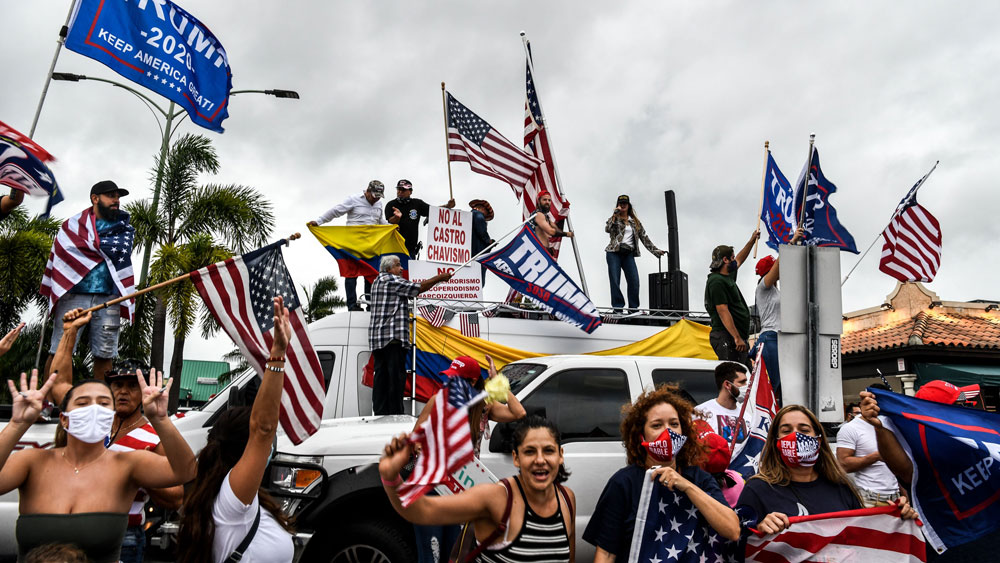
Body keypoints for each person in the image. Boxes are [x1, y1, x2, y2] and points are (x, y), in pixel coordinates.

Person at [0, 368, 195, 563]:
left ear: (111, 416)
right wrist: (17, 424)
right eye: (83, 403)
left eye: (103, 404)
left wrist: (160, 419)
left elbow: (185, 471)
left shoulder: (127, 465)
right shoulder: (31, 461)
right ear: (64, 418)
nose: (94, 409)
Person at [49, 308, 184, 563]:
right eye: (118, 384)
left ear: (143, 392)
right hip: (74, 530)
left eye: (133, 385)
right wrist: (70, 333)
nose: (123, 391)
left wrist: (139, 473)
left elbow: (176, 495)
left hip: (125, 536)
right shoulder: (92, 419)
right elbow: (58, 385)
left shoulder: (153, 437)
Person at [177, 296, 295, 563]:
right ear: (245, 451)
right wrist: (277, 354)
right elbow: (262, 429)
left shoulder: (233, 497)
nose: (269, 448)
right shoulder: (232, 501)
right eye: (266, 447)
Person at [380, 416, 577, 563]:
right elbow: (422, 511)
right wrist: (391, 477)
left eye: (548, 451)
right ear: (516, 458)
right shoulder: (496, 498)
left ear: (560, 455)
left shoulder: (567, 500)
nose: (540, 460)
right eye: (530, 451)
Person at [585, 385, 740, 561]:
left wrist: (687, 486)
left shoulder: (699, 479)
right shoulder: (624, 482)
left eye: (674, 424)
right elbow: (606, 553)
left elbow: (732, 530)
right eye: (657, 425)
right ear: (640, 435)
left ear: (684, 431)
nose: (668, 431)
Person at [410, 354, 526, 563]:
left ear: (473, 382)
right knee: (431, 556)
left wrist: (498, 382)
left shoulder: (483, 407)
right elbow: (415, 438)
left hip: (461, 491)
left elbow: (518, 413)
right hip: (432, 489)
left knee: (455, 556)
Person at [735, 404, 918, 535]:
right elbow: (737, 544)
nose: (795, 435)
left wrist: (897, 519)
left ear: (819, 440)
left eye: (804, 430)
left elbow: (862, 537)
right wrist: (759, 528)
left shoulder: (841, 488)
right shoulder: (757, 489)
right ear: (776, 442)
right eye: (786, 430)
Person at [43, 180, 134, 379]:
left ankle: (100, 406)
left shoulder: (124, 229)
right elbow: (62, 256)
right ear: (95, 198)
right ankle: (47, 403)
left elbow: (121, 259)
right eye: (111, 195)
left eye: (118, 197)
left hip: (108, 298)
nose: (116, 200)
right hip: (74, 295)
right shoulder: (73, 226)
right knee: (60, 349)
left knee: (105, 353)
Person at [369, 255, 452, 415]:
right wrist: (440, 278)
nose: (401, 269)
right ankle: (394, 415)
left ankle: (380, 413)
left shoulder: (377, 282)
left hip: (378, 341)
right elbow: (417, 289)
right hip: (392, 339)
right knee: (396, 378)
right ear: (388, 269)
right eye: (398, 265)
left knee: (381, 378)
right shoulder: (390, 280)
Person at [308, 180, 393, 310]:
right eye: (374, 195)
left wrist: (391, 227)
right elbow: (336, 211)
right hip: (352, 244)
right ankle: (352, 305)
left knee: (370, 274)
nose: (375, 199)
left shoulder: (379, 203)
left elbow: (380, 221)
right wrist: (319, 221)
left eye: (378, 196)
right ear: (368, 191)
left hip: (371, 245)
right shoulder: (353, 199)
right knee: (351, 274)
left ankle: (371, 304)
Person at [751, 227, 802, 404]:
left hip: (780, 339)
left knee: (781, 388)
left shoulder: (774, 291)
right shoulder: (763, 287)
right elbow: (781, 264)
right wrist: (791, 243)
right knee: (772, 387)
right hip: (771, 338)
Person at [836, 385, 900, 508]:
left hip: (895, 498)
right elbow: (844, 465)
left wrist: (904, 496)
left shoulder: (891, 425)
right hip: (868, 499)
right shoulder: (850, 428)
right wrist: (876, 456)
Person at [704, 229, 759, 366]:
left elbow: (740, 259)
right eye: (732, 257)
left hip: (735, 337)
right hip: (726, 336)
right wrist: (736, 337)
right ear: (725, 260)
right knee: (734, 375)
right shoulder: (716, 281)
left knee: (743, 375)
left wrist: (752, 241)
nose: (735, 260)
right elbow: (722, 310)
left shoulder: (727, 275)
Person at [605, 194, 666, 313]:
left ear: (628, 205)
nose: (623, 205)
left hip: (628, 254)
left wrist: (655, 250)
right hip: (614, 252)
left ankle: (633, 308)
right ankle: (617, 308)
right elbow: (607, 229)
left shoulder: (635, 222)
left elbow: (644, 237)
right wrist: (614, 215)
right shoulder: (614, 219)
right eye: (620, 203)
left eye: (625, 203)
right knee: (615, 280)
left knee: (634, 281)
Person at [384, 179, 456, 258]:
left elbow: (433, 210)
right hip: (393, 248)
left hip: (411, 249)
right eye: (399, 189)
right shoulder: (391, 204)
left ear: (410, 191)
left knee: (409, 270)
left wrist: (447, 206)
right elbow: (389, 222)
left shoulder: (417, 203)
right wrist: (396, 217)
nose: (400, 192)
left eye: (403, 190)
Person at [696, 361, 750, 445]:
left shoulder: (748, 417)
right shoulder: (700, 413)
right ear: (727, 384)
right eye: (742, 382)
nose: (746, 386)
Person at [469, 199, 494, 285]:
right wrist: (488, 241)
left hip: (467, 254)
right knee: (478, 282)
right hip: (476, 253)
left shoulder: (466, 218)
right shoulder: (478, 215)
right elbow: (481, 231)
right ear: (482, 209)